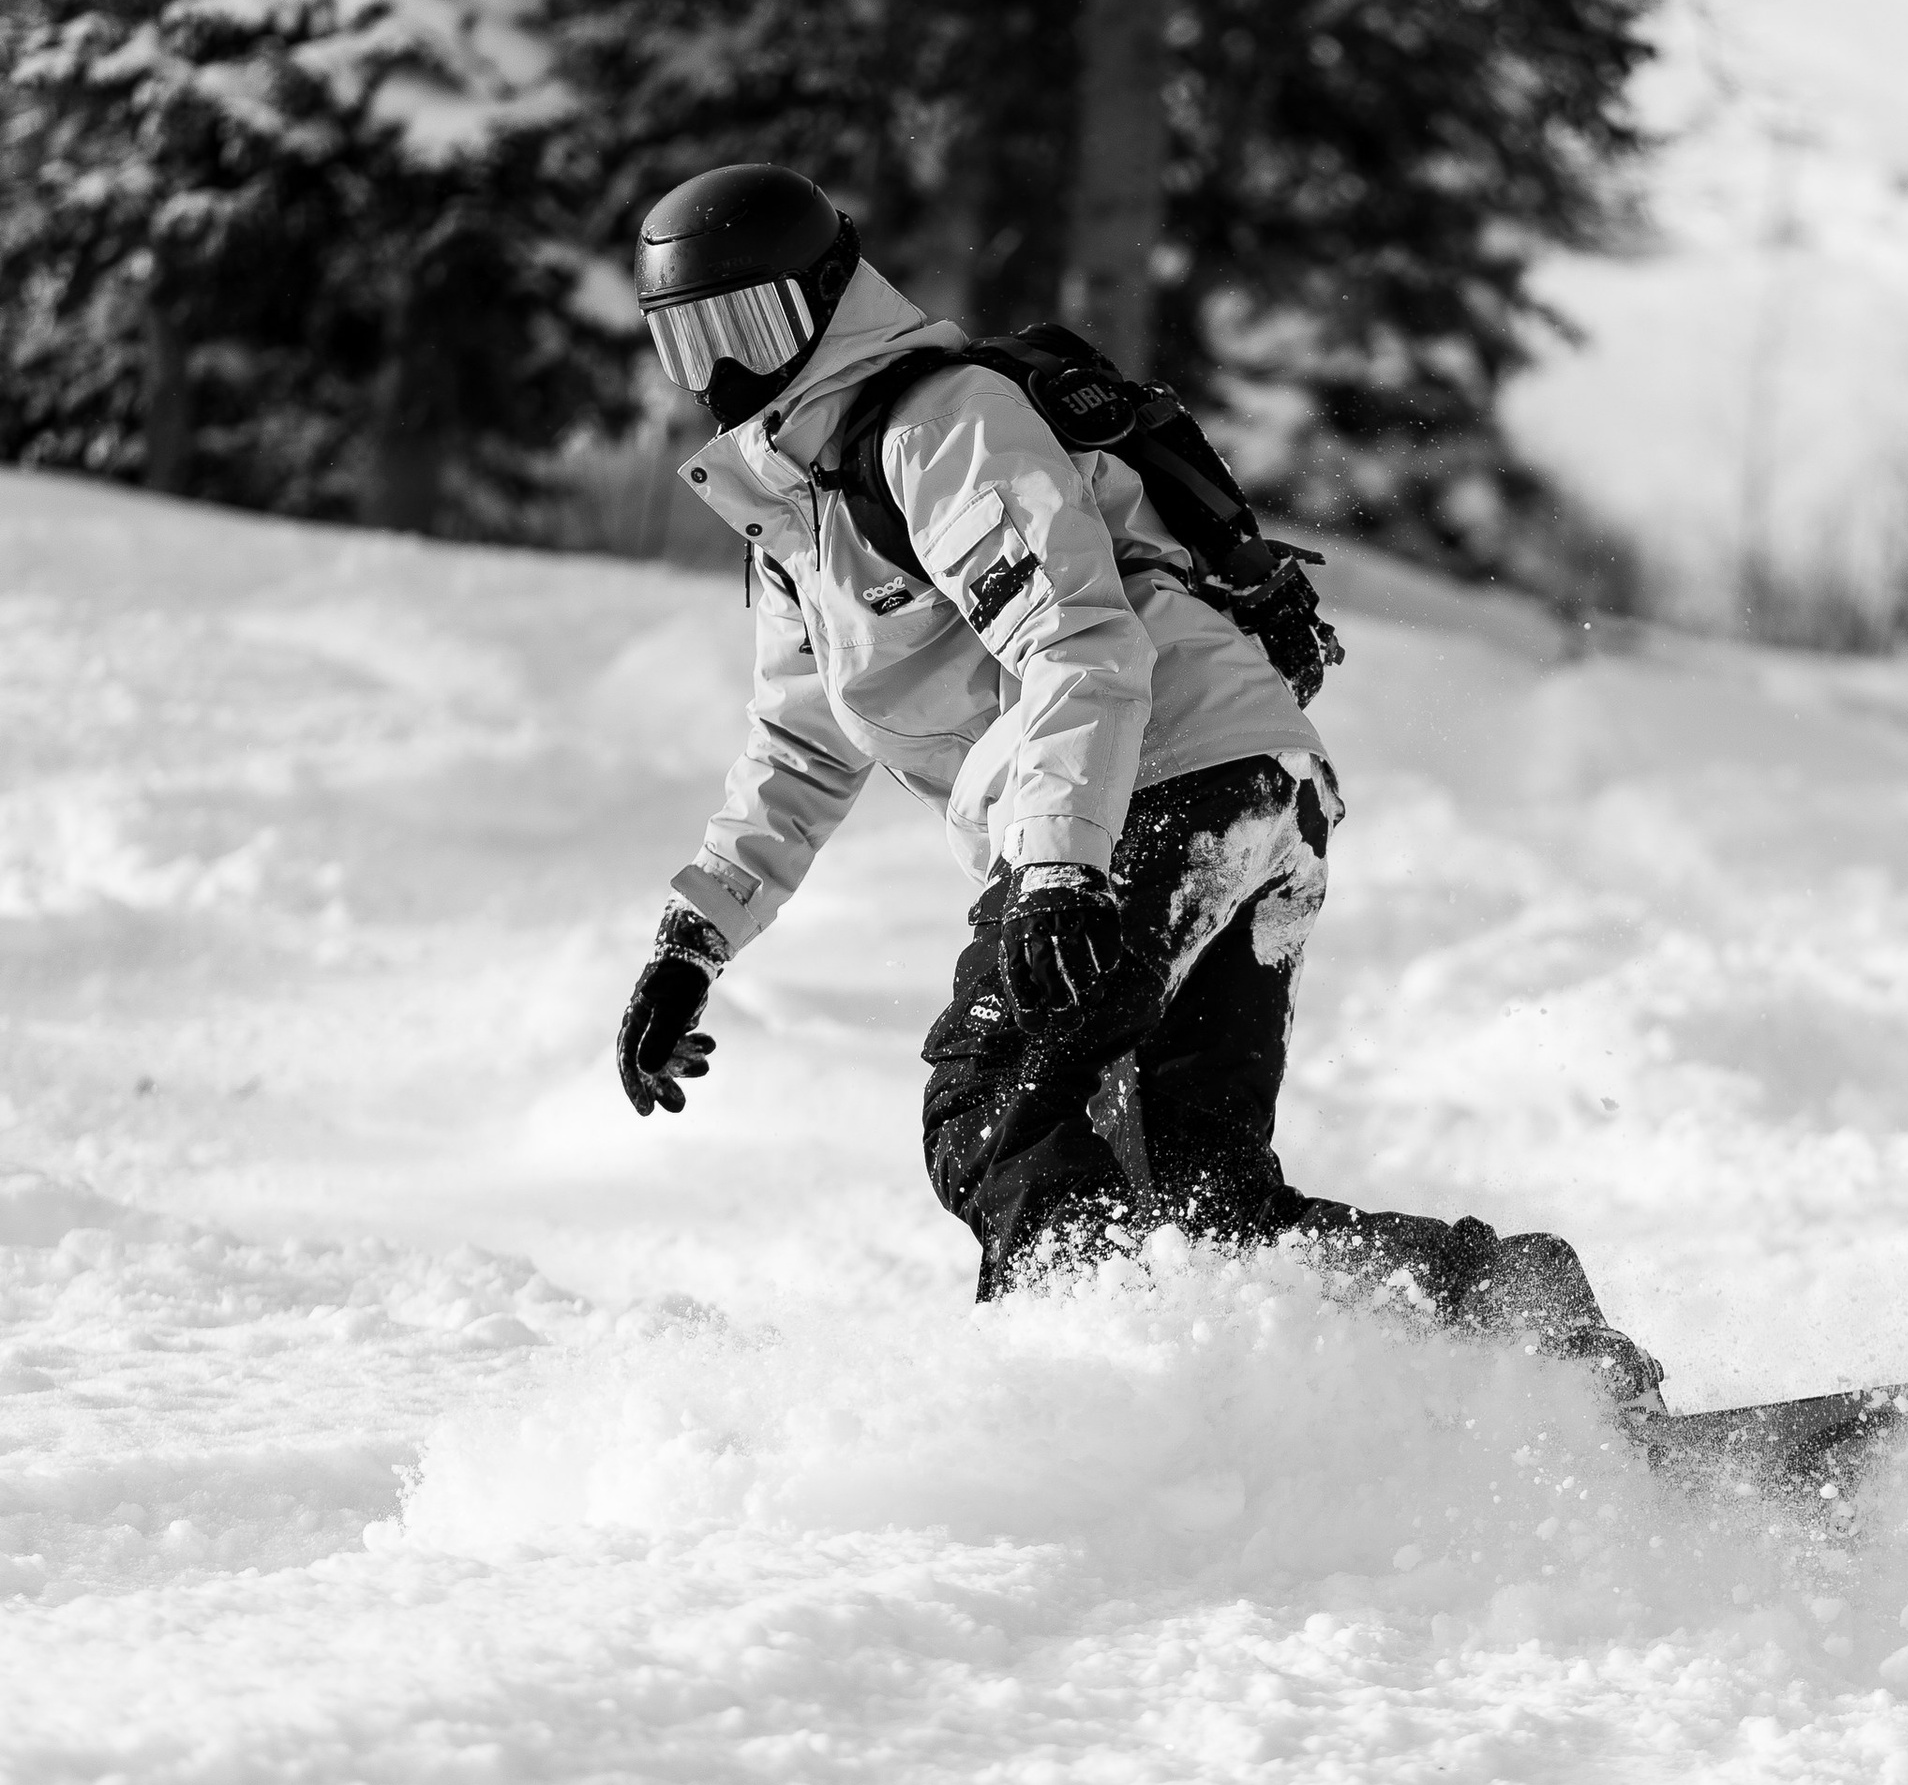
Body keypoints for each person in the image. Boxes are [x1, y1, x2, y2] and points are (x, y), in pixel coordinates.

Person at [613, 164, 1664, 1408]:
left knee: (999, 1112)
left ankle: (1073, 1422)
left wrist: (1059, 867)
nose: (730, 371)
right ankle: (1521, 1327)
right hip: (1229, 788)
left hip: (1164, 782)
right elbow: (800, 747)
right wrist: (694, 943)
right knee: (1204, 1210)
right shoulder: (801, 517)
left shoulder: (937, 423)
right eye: (691, 341)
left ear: (831, 297)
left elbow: (1073, 641)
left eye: (754, 325)